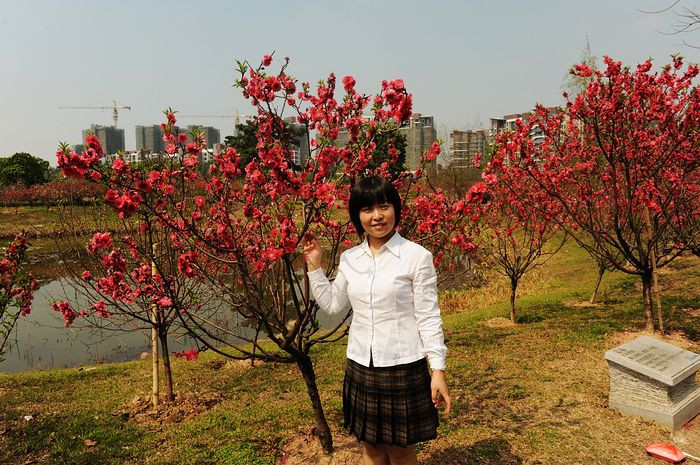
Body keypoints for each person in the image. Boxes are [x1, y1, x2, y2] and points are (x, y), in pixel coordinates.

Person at [302, 176, 451, 465]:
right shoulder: (350, 258)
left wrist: (438, 370)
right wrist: (315, 267)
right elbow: (333, 305)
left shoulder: (416, 257)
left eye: (384, 206)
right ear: (358, 216)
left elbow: (429, 316)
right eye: (368, 209)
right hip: (361, 366)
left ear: (395, 209)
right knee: (370, 447)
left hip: (402, 366)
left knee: (400, 450)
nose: (377, 216)